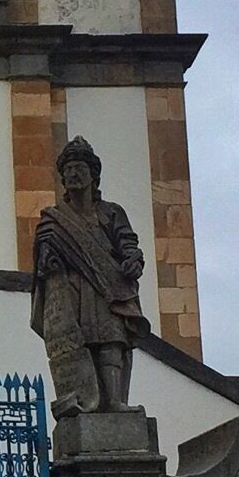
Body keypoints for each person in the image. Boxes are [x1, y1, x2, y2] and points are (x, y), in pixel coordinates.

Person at [30, 136, 145, 415]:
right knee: (84, 345)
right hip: (73, 291)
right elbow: (43, 259)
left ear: (93, 175)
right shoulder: (53, 219)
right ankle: (83, 399)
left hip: (108, 287)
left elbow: (128, 242)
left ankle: (115, 401)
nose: (73, 174)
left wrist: (133, 260)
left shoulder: (111, 212)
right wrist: (49, 261)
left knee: (110, 342)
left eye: (80, 167)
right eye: (68, 169)